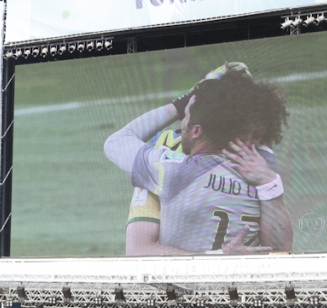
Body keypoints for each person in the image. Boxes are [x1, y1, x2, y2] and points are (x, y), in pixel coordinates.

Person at [104, 66, 291, 255]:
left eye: (186, 116)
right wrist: (270, 184)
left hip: (182, 282)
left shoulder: (169, 167)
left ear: (196, 131)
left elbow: (116, 142)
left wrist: (178, 105)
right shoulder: (263, 165)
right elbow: (281, 252)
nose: (182, 121)